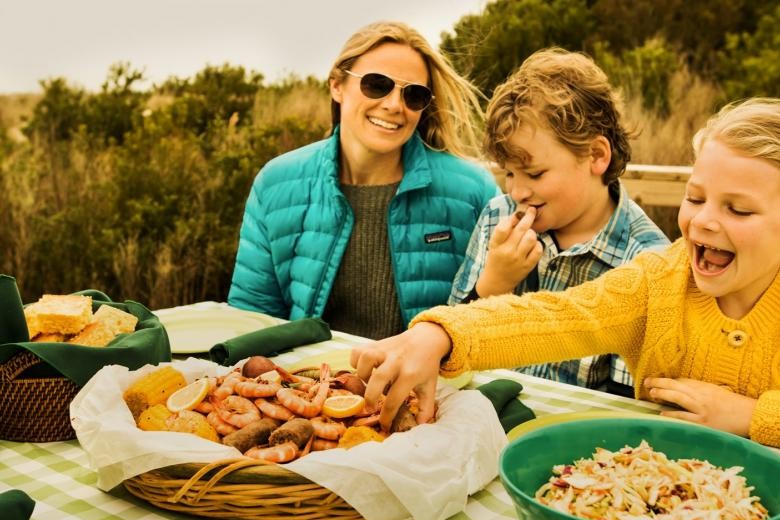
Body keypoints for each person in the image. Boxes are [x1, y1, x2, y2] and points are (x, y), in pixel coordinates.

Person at [351, 97, 780, 449]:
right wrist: (441, 333)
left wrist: (750, 416)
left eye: (737, 209)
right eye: (695, 198)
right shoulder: (660, 282)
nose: (703, 221)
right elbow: (559, 316)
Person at [228, 21, 499, 340]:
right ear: (337, 85)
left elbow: (503, 316)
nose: (395, 105)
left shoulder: (472, 190)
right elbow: (250, 321)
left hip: (435, 388)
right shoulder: (275, 184)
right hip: (308, 385)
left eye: (413, 94)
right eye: (377, 84)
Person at [449, 48, 669, 396]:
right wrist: (492, 285)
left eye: (534, 173)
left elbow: (628, 406)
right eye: (508, 172)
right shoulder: (498, 218)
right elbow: (450, 349)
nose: (517, 190)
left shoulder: (648, 262)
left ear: (596, 155)